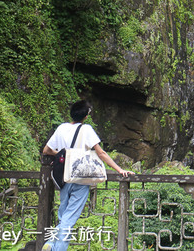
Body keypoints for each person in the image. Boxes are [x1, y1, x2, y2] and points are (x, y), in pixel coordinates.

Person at [41, 100, 133, 251]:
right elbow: (101, 153)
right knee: (69, 218)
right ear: (85, 116)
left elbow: (47, 150)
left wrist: (65, 155)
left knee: (64, 214)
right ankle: (56, 248)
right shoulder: (87, 129)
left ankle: (51, 243)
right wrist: (119, 169)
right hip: (81, 178)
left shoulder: (61, 128)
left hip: (63, 177)